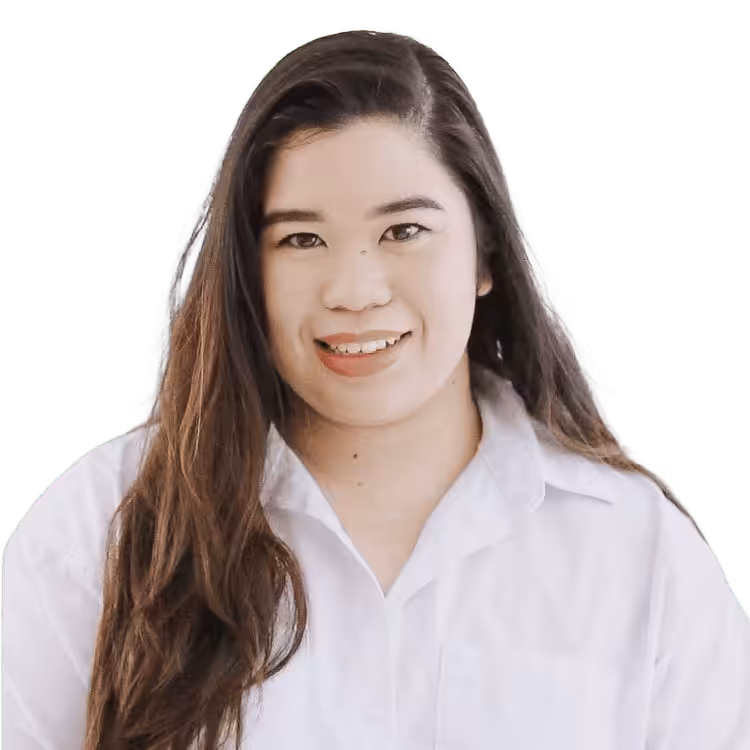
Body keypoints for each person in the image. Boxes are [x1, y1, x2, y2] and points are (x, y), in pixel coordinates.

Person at [2, 27, 749, 750]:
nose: (354, 291)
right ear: (248, 274)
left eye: (404, 232)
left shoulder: (635, 549)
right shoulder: (97, 533)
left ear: (486, 253)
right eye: (301, 239)